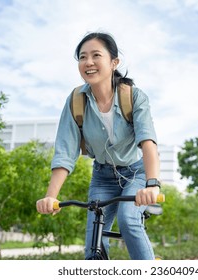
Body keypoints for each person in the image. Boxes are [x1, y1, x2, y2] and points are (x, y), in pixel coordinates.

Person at [36, 32, 161, 260]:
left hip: (136, 173)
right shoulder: (76, 101)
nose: (88, 62)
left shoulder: (134, 97)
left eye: (96, 55)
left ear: (114, 62)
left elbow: (148, 142)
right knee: (94, 238)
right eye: (83, 57)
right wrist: (50, 197)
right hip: (103, 176)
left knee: (128, 219)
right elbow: (65, 151)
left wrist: (152, 185)